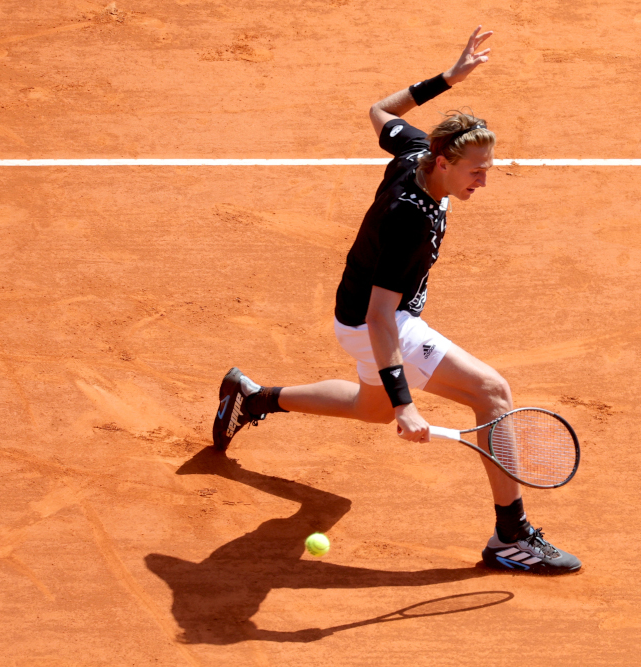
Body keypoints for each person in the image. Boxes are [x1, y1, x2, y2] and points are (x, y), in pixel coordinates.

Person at [212, 26, 580, 575]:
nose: (483, 181)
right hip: (376, 321)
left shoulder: (414, 150)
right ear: (445, 163)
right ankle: (511, 535)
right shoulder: (411, 217)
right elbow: (383, 318)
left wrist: (447, 80)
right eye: (477, 171)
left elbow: (378, 108)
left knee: (370, 408)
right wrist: (408, 403)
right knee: (492, 393)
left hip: (357, 312)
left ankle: (256, 396)